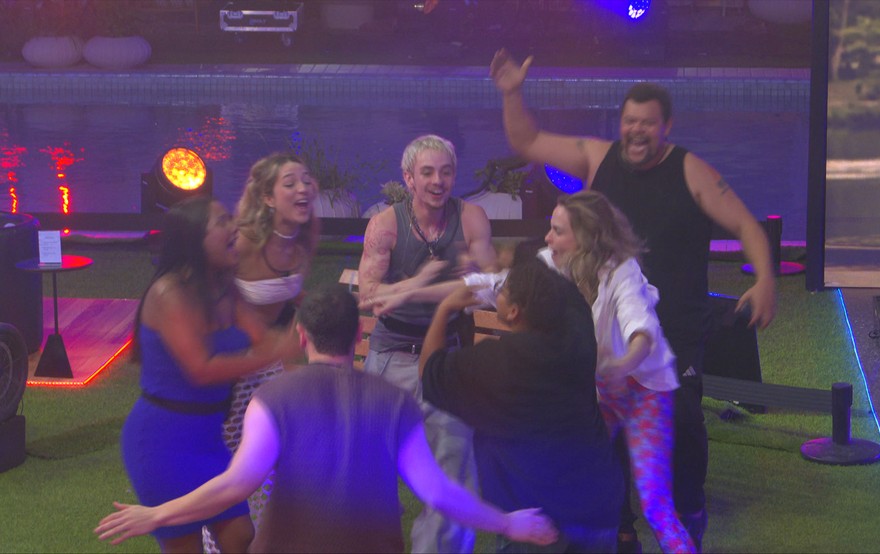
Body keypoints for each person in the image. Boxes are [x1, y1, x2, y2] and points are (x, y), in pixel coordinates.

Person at [490, 49, 778, 552]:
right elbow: (526, 140)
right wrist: (513, 93)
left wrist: (767, 279)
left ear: (666, 126)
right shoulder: (597, 158)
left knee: (683, 430)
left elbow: (746, 225)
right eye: (630, 121)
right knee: (600, 435)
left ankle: (689, 511)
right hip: (603, 331)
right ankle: (621, 529)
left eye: (647, 122)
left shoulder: (691, 171)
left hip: (673, 335)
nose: (637, 131)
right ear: (620, 122)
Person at [96, 284, 560, 554]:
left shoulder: (273, 400)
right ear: (358, 334)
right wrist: (509, 523)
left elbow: (235, 485)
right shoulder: (395, 403)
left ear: (301, 336)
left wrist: (157, 513)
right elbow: (437, 491)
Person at [365, 192, 695, 553]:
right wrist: (408, 296)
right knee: (578, 467)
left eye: (557, 231)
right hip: (596, 383)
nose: (547, 238)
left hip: (642, 388)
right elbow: (484, 285)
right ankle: (577, 533)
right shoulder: (550, 264)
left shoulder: (621, 270)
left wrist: (622, 365)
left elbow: (641, 329)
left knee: (654, 502)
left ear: (586, 238)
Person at [118, 196, 298, 552]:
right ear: (194, 239)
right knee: (186, 546)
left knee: (239, 534)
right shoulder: (169, 293)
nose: (234, 228)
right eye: (222, 222)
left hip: (208, 438)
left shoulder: (226, 290)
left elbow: (264, 340)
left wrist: (299, 332)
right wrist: (273, 353)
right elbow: (202, 369)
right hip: (162, 441)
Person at [419, 260, 625, 553]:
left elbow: (429, 371)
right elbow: (563, 288)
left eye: (501, 290)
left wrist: (444, 309)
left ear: (514, 311)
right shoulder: (578, 330)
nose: (496, 292)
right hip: (598, 504)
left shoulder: (496, 363)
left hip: (538, 521)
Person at [357, 134, 498, 553]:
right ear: (409, 178)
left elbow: (489, 288)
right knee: (370, 476)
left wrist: (410, 291)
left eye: (446, 172)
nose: (438, 181)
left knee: (454, 474)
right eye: (428, 172)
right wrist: (427, 282)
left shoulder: (471, 218)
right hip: (391, 356)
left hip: (445, 361)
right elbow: (369, 297)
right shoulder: (385, 225)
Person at [215, 153, 320, 530]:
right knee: (232, 462)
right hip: (232, 367)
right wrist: (261, 339)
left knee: (278, 458)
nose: (303, 188)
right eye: (290, 183)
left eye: (305, 180)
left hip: (272, 365)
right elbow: (214, 297)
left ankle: (268, 538)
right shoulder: (242, 242)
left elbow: (286, 294)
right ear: (268, 198)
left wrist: (311, 308)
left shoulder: (304, 241)